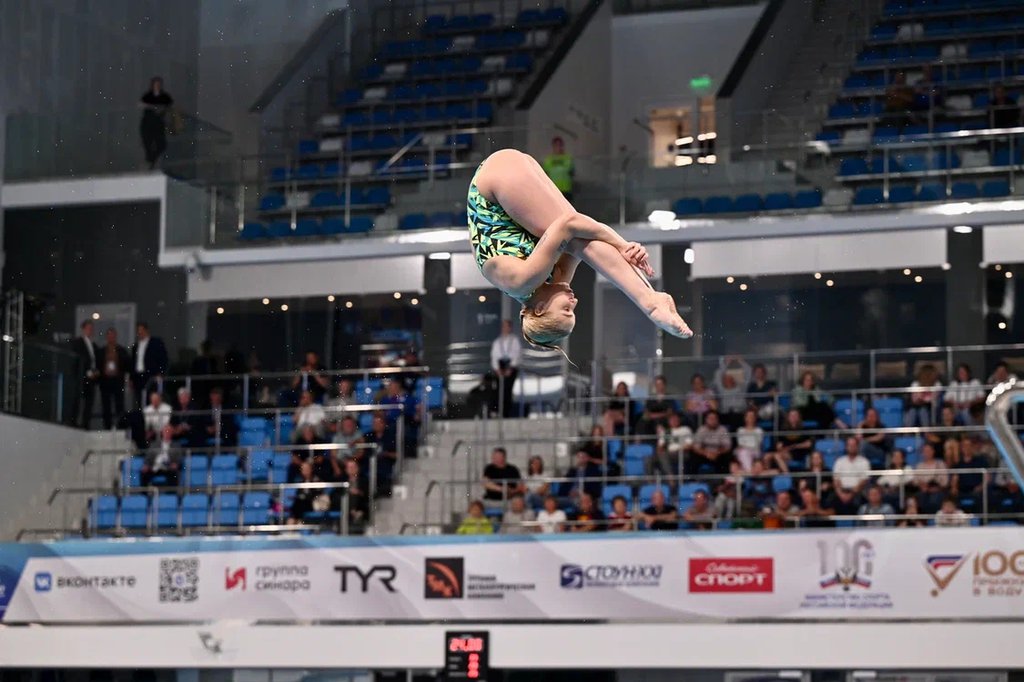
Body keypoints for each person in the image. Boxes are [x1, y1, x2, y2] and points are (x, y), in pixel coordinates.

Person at [467, 149, 691, 358]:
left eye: (566, 309)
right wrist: (628, 252)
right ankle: (650, 297)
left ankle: (650, 302)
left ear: (541, 308)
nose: (574, 302)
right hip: (511, 176)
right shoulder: (552, 281)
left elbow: (569, 224)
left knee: (572, 237)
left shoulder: (521, 280)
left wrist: (623, 245)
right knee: (577, 243)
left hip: (493, 182)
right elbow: (584, 239)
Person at [130, 322, 168, 410]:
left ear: (147, 331)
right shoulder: (135, 346)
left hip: (151, 376)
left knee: (152, 399)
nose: (140, 333)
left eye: (141, 331)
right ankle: (143, 421)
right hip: (138, 377)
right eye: (138, 331)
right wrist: (132, 378)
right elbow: (133, 363)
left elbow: (163, 359)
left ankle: (153, 422)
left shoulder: (156, 343)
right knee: (140, 400)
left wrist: (160, 372)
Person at [98, 327, 130, 430]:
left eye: (113, 335)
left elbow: (127, 364)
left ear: (115, 336)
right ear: (107, 337)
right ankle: (107, 426)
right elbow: (98, 365)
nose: (111, 337)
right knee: (106, 405)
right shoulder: (101, 351)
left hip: (118, 380)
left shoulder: (121, 350)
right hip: (105, 381)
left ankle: (121, 425)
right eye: (109, 335)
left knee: (119, 404)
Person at [139, 76, 173, 169]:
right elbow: (141, 105)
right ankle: (150, 160)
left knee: (161, 144)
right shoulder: (148, 95)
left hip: (158, 124)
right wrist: (152, 107)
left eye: (159, 84)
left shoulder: (164, 96)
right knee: (148, 143)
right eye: (155, 84)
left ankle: (151, 160)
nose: (157, 86)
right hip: (148, 123)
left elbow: (169, 106)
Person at [490, 319, 522, 417]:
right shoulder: (497, 341)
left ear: (510, 328)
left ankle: (506, 412)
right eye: (503, 326)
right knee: (498, 389)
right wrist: (497, 369)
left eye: (506, 326)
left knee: (507, 389)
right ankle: (496, 410)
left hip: (510, 366)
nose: (504, 329)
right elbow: (494, 356)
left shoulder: (514, 340)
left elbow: (516, 355)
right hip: (500, 366)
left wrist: (511, 368)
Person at [71, 320, 100, 429]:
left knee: (89, 402)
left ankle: (85, 424)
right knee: (77, 400)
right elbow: (78, 360)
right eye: (88, 328)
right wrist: (87, 372)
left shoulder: (93, 345)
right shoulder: (78, 342)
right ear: (83, 329)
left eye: (91, 328)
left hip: (92, 377)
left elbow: (94, 361)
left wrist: (95, 371)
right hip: (81, 377)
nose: (90, 330)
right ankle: (73, 422)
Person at [649, 411, 693, 476]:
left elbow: (689, 445)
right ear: (669, 422)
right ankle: (650, 482)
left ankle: (671, 478)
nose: (674, 421)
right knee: (648, 459)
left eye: (675, 419)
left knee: (664, 455)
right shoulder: (667, 432)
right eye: (672, 420)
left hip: (682, 453)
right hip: (668, 454)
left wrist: (677, 450)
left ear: (679, 420)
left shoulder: (685, 430)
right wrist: (660, 450)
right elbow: (660, 446)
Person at [713, 356, 750, 428]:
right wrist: (726, 364)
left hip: (739, 413)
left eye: (731, 378)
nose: (729, 381)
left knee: (737, 418)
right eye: (726, 379)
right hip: (725, 414)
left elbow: (748, 372)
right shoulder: (721, 390)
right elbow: (718, 374)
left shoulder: (741, 388)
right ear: (723, 381)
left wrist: (741, 362)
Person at [690, 410, 732, 474]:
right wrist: (706, 453)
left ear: (718, 420)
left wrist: (717, 453)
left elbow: (727, 446)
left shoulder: (722, 429)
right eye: (710, 418)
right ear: (706, 420)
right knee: (693, 457)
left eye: (714, 418)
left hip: (718, 454)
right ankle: (693, 481)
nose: (712, 420)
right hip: (704, 454)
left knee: (727, 457)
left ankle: (722, 480)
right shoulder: (701, 429)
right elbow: (696, 446)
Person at [541, 136, 575, 200]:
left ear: (562, 146)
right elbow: (545, 174)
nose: (558, 147)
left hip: (566, 189)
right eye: (556, 145)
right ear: (553, 146)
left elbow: (570, 172)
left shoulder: (568, 158)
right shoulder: (549, 159)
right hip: (553, 189)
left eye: (560, 145)